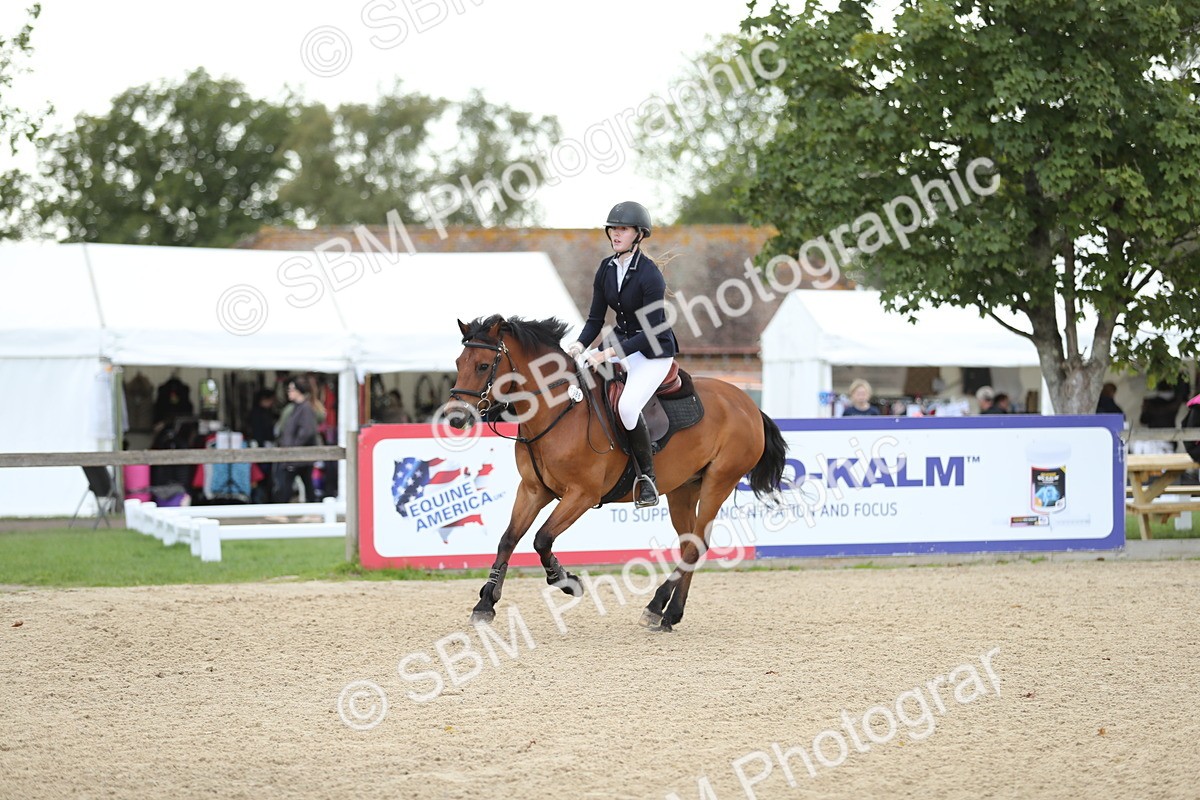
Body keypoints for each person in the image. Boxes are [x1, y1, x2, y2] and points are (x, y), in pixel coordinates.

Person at [567, 201, 678, 508]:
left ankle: (646, 479)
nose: (616, 234)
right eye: (613, 228)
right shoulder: (606, 269)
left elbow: (653, 331)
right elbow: (594, 320)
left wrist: (606, 355)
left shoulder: (650, 275)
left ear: (638, 235)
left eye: (623, 229)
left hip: (653, 352)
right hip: (621, 345)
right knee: (582, 387)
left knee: (628, 408)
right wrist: (578, 346)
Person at [275, 377, 319, 503]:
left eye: (291, 389)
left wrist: (294, 446)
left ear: (299, 391)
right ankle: (312, 511)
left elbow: (307, 431)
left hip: (298, 455)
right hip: (297, 454)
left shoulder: (305, 408)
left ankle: (282, 510)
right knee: (304, 483)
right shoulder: (298, 407)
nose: (289, 392)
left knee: (287, 482)